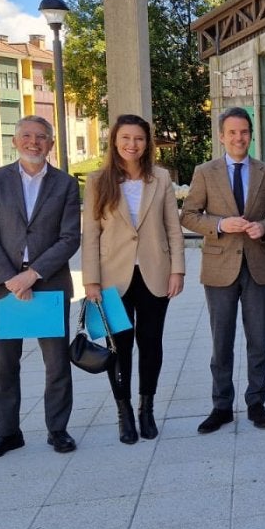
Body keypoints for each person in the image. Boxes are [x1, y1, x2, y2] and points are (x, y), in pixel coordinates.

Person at [0, 116, 82, 460]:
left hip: (47, 285)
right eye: (26, 136)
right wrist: (10, 277)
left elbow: (69, 238)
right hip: (2, 287)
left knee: (56, 364)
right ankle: (7, 433)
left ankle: (58, 429)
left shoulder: (65, 184)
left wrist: (31, 274)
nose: (34, 142)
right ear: (15, 141)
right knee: (4, 365)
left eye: (41, 137)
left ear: (51, 144)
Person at [81, 114, 185, 444]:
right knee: (119, 347)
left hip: (154, 274)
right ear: (114, 141)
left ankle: (146, 408)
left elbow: (173, 228)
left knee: (151, 344)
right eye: (125, 138)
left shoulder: (161, 179)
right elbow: (91, 234)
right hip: (113, 278)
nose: (132, 144)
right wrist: (91, 281)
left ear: (147, 143)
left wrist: (177, 270)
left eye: (138, 138)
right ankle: (123, 411)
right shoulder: (99, 181)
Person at [181, 108, 265, 431]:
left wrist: (264, 228)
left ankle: (256, 402)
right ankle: (221, 406)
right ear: (221, 136)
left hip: (257, 266)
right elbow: (188, 215)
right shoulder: (205, 172)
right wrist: (221, 224)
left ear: (250, 135)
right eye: (232, 132)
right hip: (219, 267)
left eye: (244, 132)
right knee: (221, 341)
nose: (239, 138)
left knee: (258, 340)